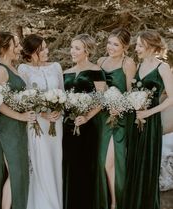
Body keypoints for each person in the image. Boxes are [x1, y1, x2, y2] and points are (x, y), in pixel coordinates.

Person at [123, 30, 173, 209]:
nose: (136, 48)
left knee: (146, 164)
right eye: (136, 45)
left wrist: (148, 113)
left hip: (150, 122)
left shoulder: (163, 67)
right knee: (133, 162)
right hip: (135, 120)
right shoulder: (138, 65)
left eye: (139, 45)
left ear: (151, 47)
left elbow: (171, 98)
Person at [0, 32, 36, 209]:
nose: (19, 48)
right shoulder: (0, 70)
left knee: (20, 173)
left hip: (19, 126)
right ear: (5, 47)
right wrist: (20, 116)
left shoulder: (13, 67)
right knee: (16, 173)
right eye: (15, 45)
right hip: (9, 127)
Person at [18, 34, 64, 209]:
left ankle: (56, 203)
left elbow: (62, 93)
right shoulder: (23, 69)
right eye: (42, 49)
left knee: (55, 160)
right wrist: (43, 114)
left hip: (56, 123)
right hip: (37, 123)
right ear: (31, 52)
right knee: (41, 162)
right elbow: (24, 99)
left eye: (46, 47)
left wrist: (58, 111)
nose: (47, 51)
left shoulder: (56, 67)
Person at [63, 34, 106, 209]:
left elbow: (102, 100)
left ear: (87, 50)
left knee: (86, 167)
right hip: (68, 127)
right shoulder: (65, 73)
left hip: (88, 127)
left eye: (77, 48)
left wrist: (87, 116)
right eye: (72, 47)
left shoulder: (96, 71)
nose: (72, 51)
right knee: (70, 167)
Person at [95, 28, 136, 209]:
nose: (110, 47)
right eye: (109, 43)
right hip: (101, 117)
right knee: (100, 161)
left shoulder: (128, 63)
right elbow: (97, 91)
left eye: (116, 44)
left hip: (119, 119)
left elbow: (131, 94)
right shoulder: (101, 61)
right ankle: (107, 200)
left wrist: (119, 107)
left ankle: (115, 203)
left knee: (111, 162)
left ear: (125, 46)